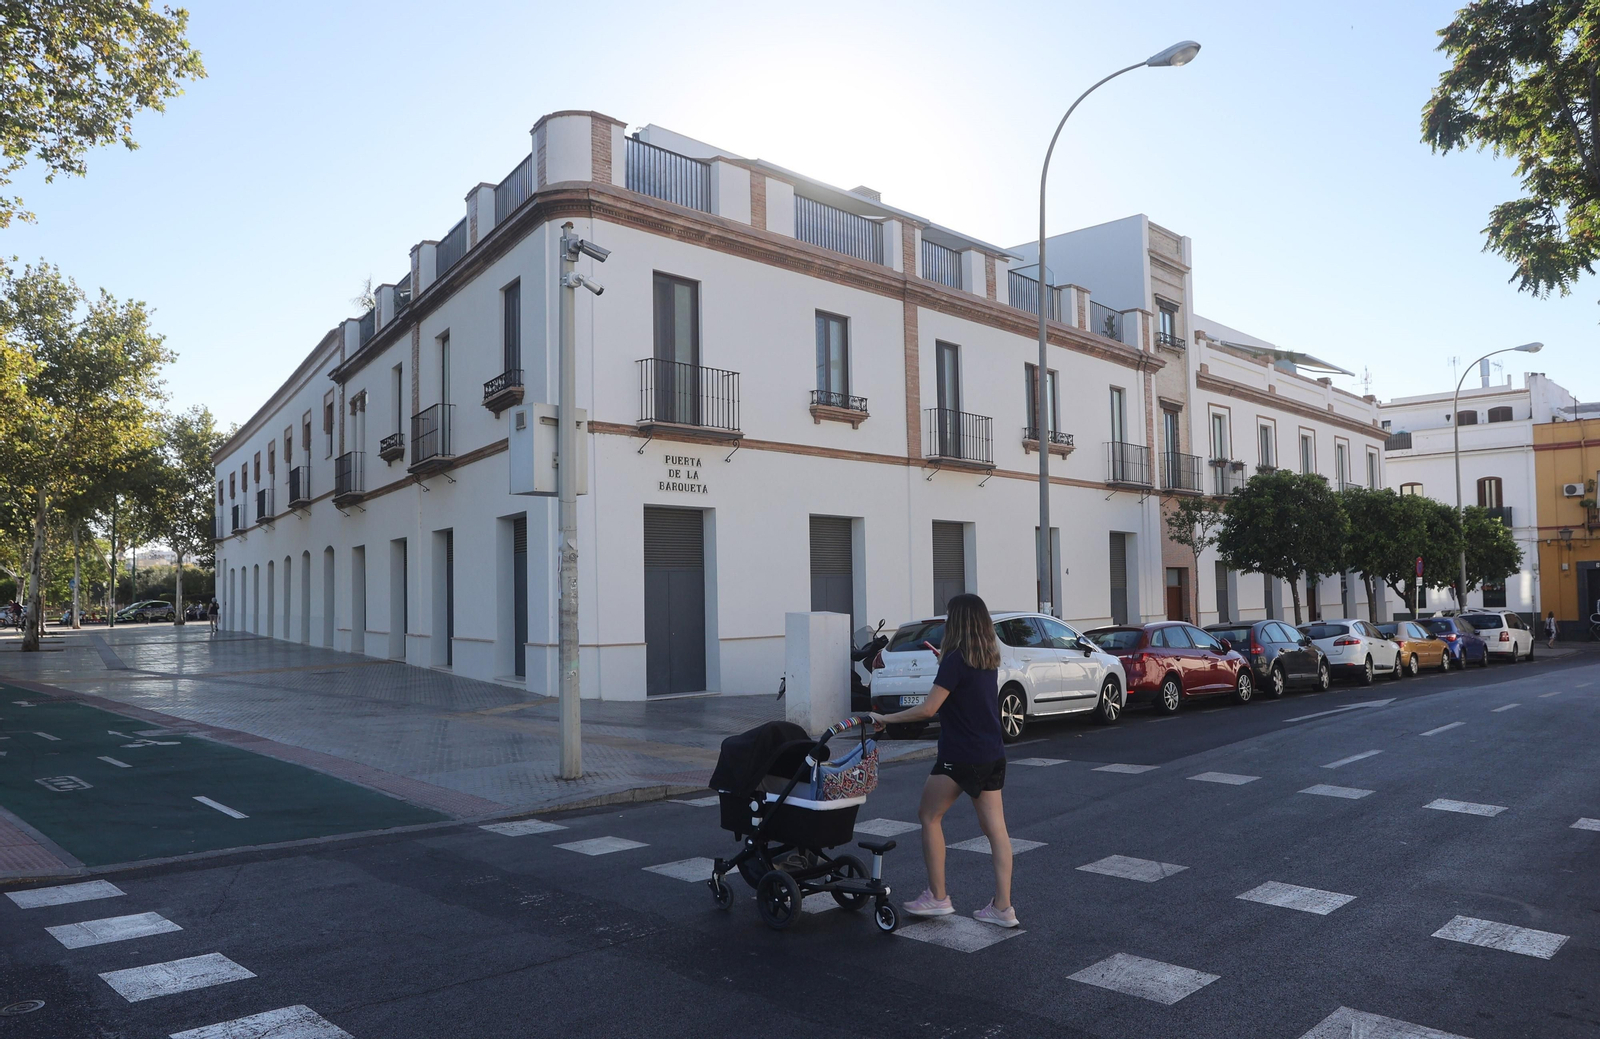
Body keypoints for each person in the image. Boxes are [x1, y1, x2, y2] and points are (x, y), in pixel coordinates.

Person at [868, 593, 1016, 928]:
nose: (946, 621)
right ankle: (1003, 908)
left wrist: (886, 720)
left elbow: (928, 709)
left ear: (959, 621)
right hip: (992, 753)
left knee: (929, 815)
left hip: (960, 755)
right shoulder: (985, 657)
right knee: (997, 831)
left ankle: (938, 896)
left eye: (949, 616)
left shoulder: (955, 660)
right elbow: (966, 690)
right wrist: (943, 662)